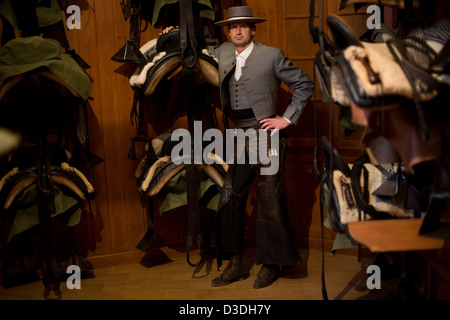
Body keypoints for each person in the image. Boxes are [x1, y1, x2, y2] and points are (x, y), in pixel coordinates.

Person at [163, 5, 314, 289]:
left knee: (270, 201)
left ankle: (271, 265)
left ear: (253, 29)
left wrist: (286, 119)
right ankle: (236, 263)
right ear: (228, 31)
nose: (238, 30)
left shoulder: (271, 55)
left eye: (244, 26)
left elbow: (305, 85)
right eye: (233, 27)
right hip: (239, 136)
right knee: (229, 197)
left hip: (267, 136)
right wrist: (174, 36)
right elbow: (196, 46)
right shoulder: (222, 52)